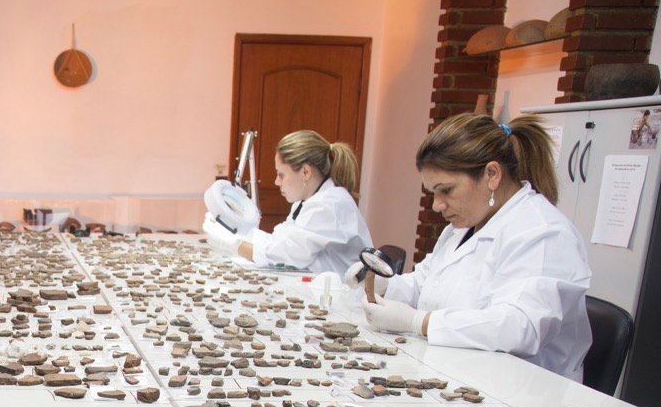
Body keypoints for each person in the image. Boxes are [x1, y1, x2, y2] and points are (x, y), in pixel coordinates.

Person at [353, 113, 591, 381]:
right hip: (457, 373)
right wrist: (384, 284)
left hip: (522, 393)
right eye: (433, 192)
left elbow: (520, 327)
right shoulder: (463, 227)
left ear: (491, 175)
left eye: (446, 190)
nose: (437, 205)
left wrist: (418, 322)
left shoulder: (544, 232)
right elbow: (424, 284)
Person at [204, 130, 372, 275]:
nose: (277, 182)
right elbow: (281, 242)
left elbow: (285, 256)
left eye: (281, 175)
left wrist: (232, 244)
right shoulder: (306, 202)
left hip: (346, 298)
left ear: (305, 172)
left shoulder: (329, 204)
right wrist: (241, 233)